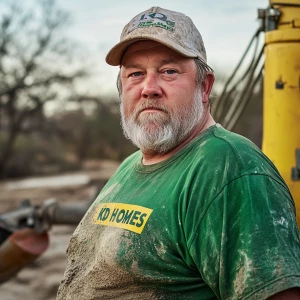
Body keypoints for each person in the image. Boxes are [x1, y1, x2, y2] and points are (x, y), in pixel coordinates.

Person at [56, 7, 300, 300]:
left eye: (168, 71)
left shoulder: (229, 170)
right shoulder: (130, 166)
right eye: (135, 73)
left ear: (204, 86)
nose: (149, 88)